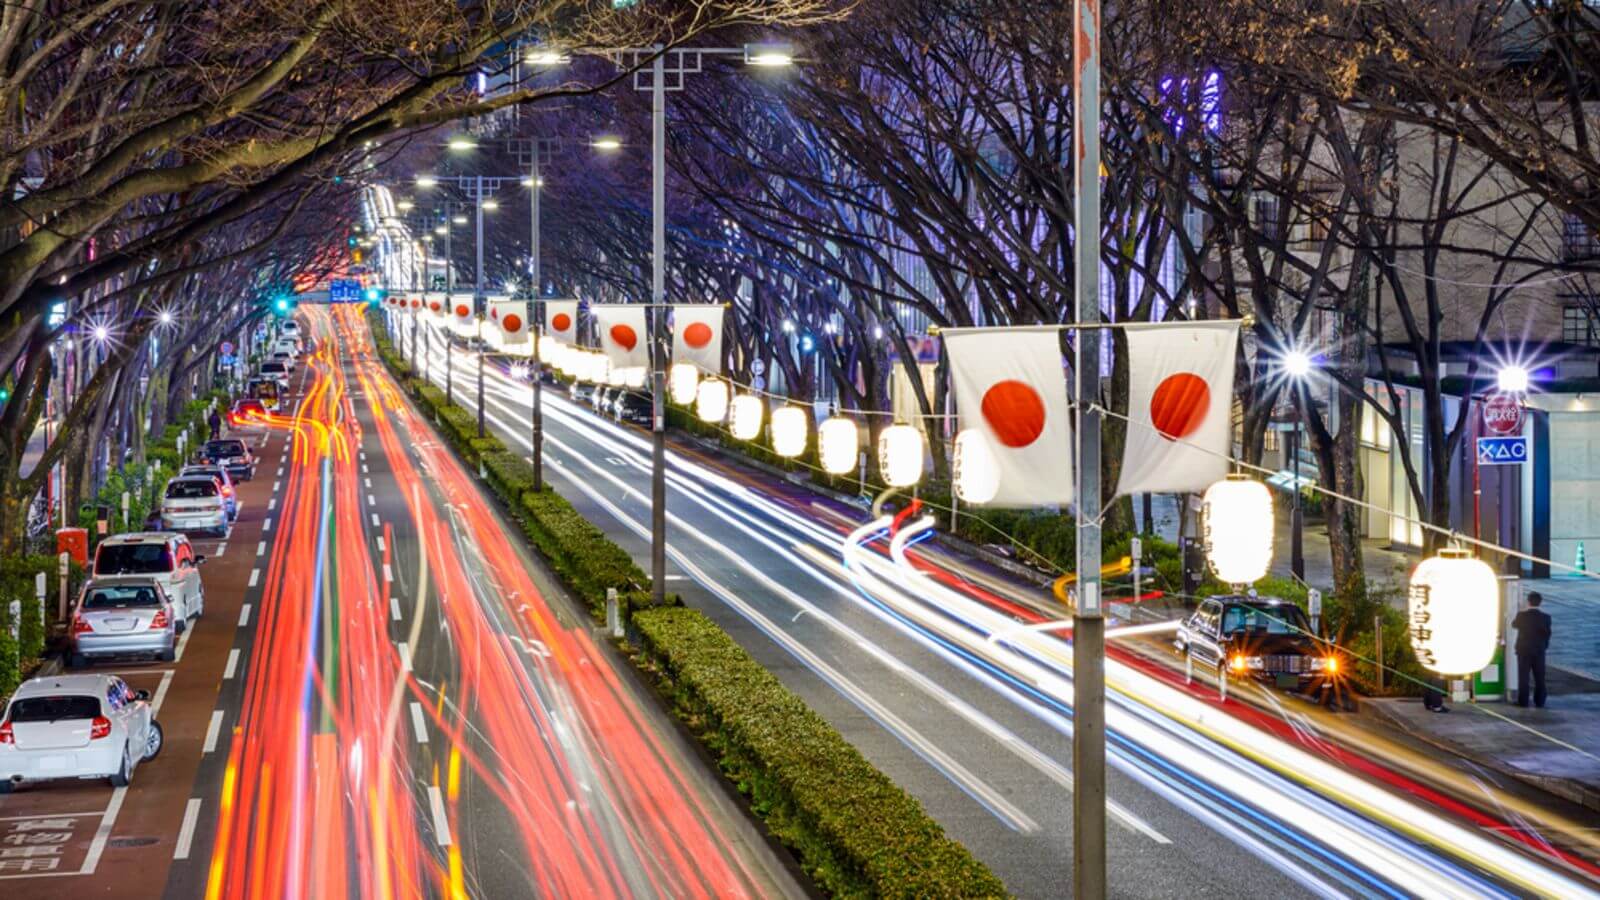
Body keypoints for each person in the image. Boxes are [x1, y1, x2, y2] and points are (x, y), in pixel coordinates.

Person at [1513, 591, 1552, 708]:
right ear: (1540, 603)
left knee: (1523, 677)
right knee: (1540, 677)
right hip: (1539, 651)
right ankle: (1540, 701)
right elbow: (1548, 634)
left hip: (1524, 650)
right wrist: (1543, 647)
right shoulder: (1546, 617)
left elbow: (1514, 625)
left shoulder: (1521, 616)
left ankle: (1523, 701)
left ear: (1528, 602)